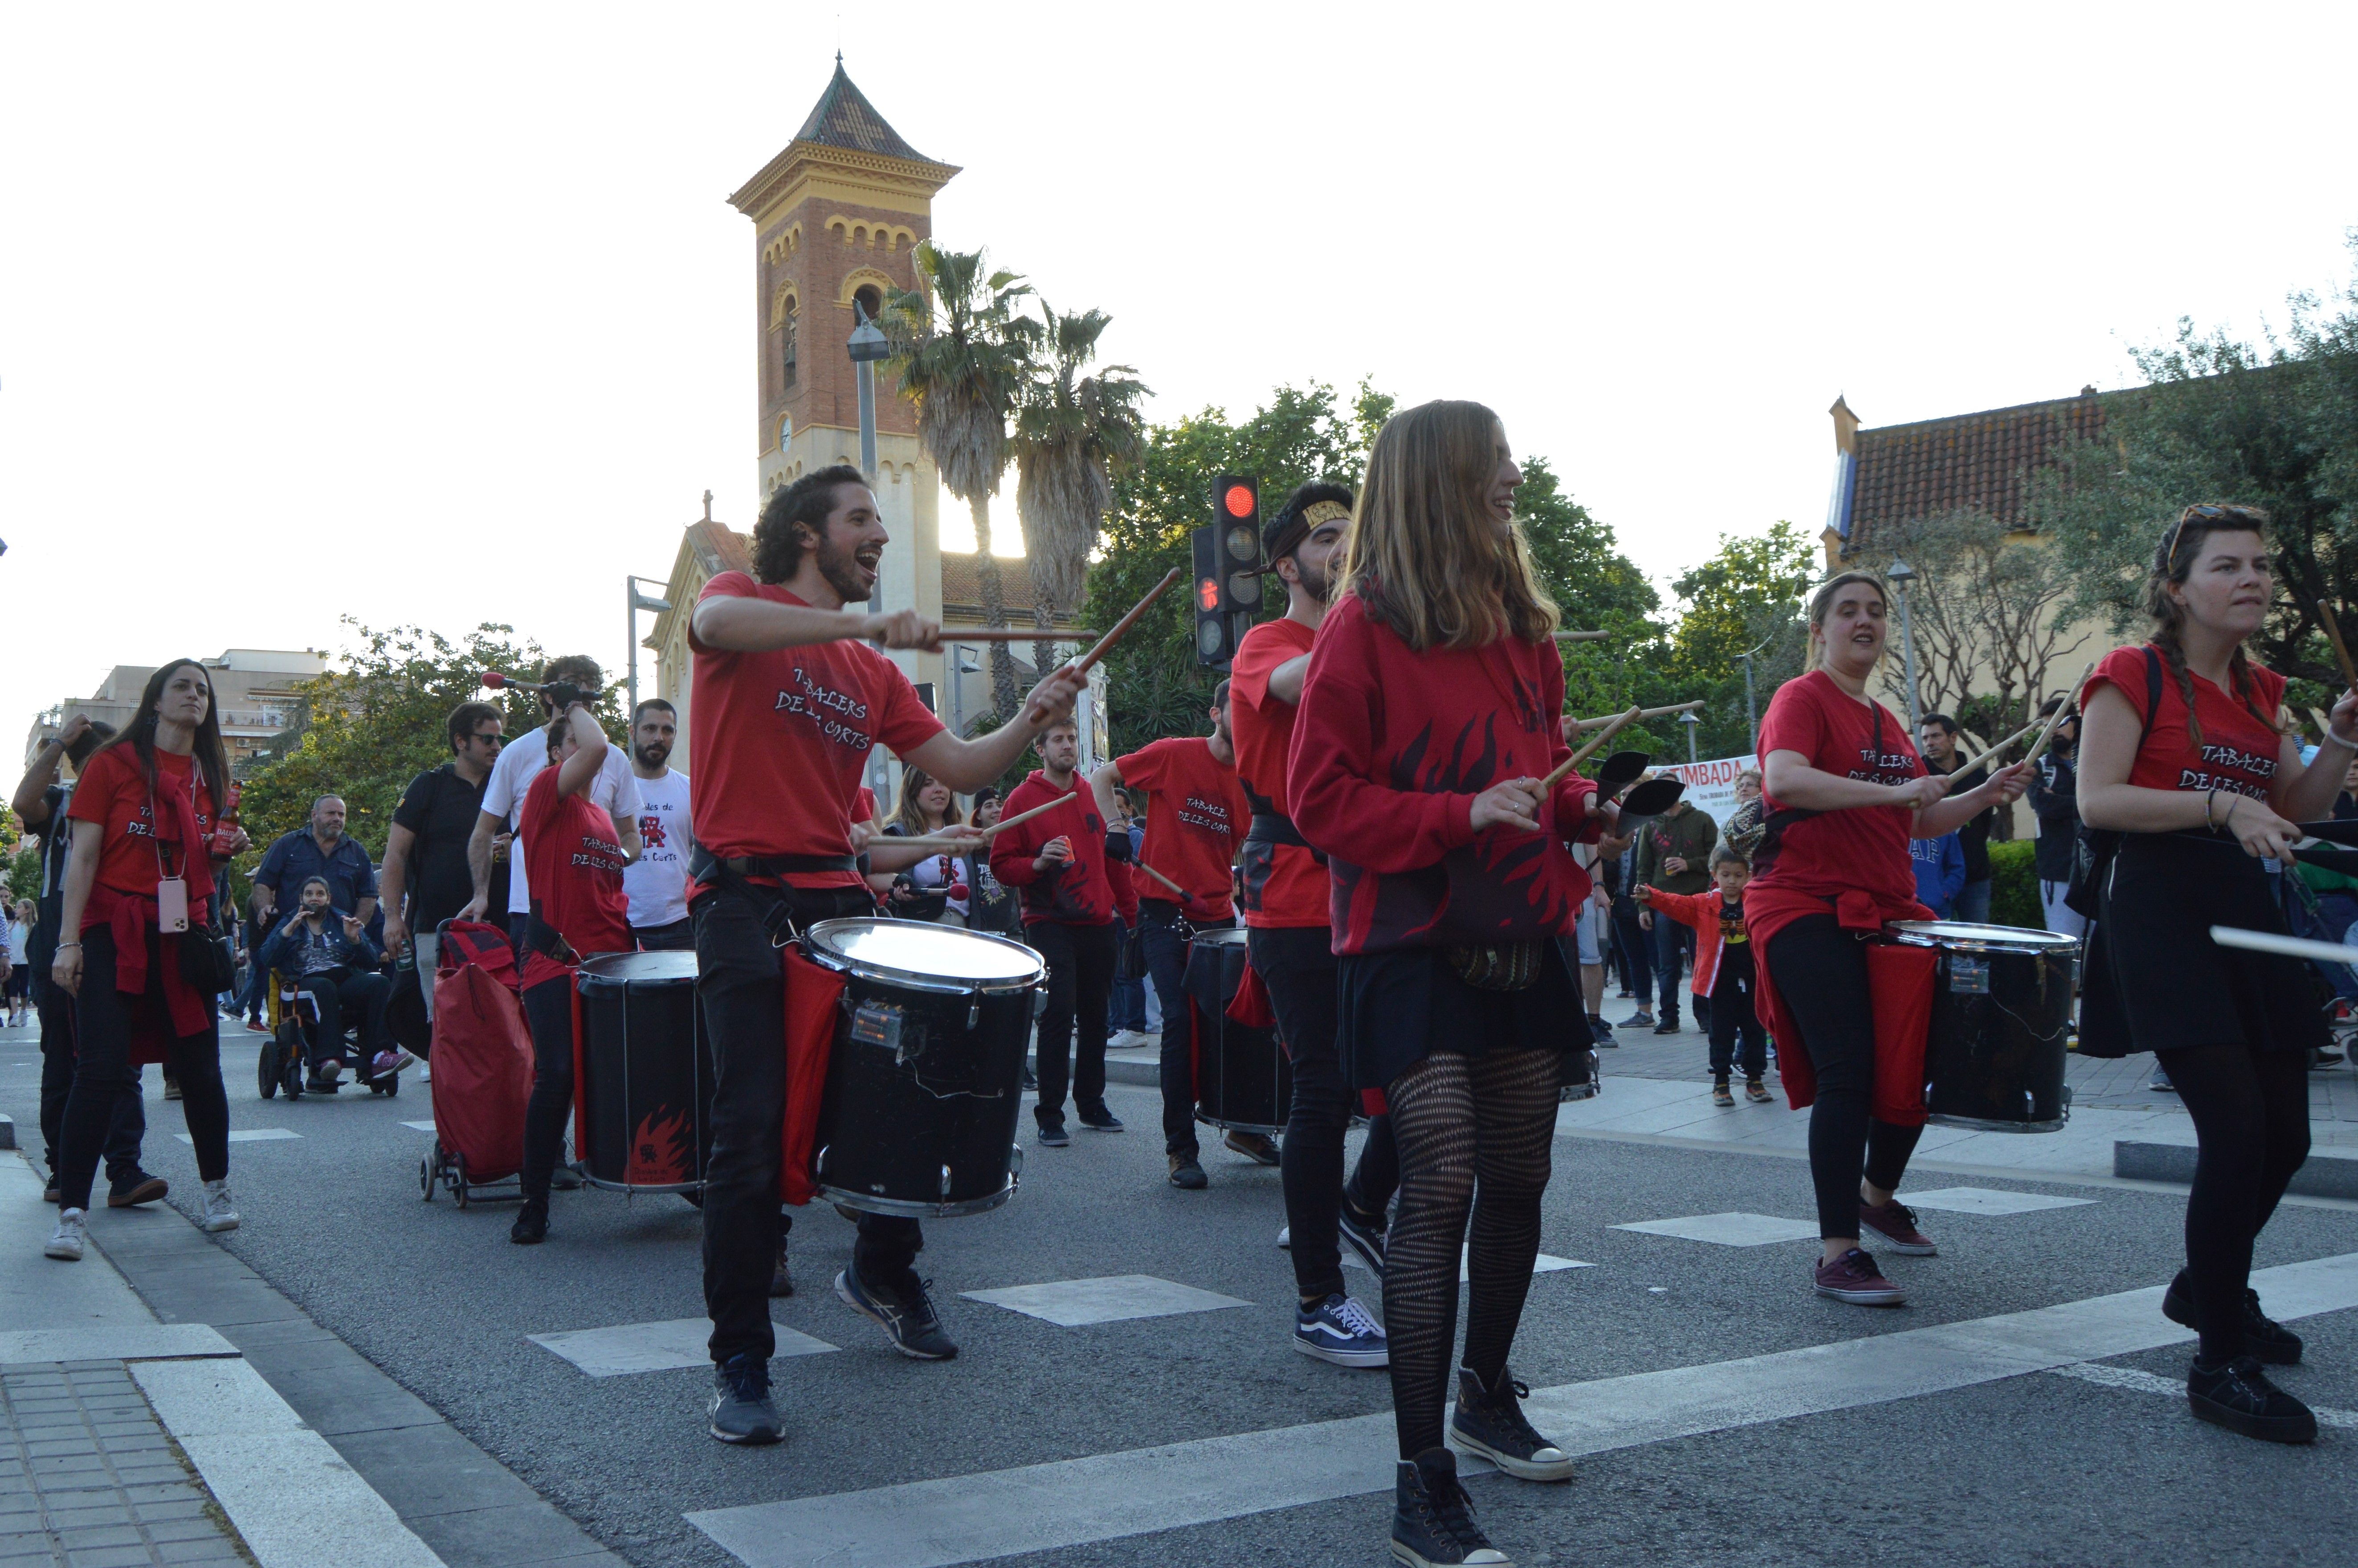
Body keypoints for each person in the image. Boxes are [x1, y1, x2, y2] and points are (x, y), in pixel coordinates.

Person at [685, 462, 1083, 1444]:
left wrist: (1032, 719)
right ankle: (742, 1357)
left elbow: (955, 764)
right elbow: (718, 631)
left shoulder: (868, 673)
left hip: (837, 900)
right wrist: (863, 626)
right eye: (861, 519)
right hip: (743, 899)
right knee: (748, 1128)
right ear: (808, 534)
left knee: (890, 1104)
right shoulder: (741, 596)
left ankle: (883, 1269)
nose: (880, 534)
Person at [1291, 401, 1613, 1568]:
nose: (1515, 477)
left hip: (1519, 931)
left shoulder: (1522, 629)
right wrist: (1454, 816)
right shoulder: (1359, 628)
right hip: (1405, 940)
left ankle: (1485, 1394)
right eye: (1495, 462)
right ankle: (1419, 1481)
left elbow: (1542, 772)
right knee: (1438, 1181)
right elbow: (1319, 802)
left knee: (1519, 1173)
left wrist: (1590, 809)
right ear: (1441, 480)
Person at [2075, 503, 2341, 1445]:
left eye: (2261, 565)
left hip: (2241, 908)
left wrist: (2341, 737)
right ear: (2175, 587)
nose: (2254, 579)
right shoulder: (2130, 671)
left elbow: (2298, 804)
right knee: (2234, 1127)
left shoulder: (2265, 688)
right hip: (2159, 907)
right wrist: (2222, 801)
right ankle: (2217, 1359)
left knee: (2289, 1136)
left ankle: (2204, 1286)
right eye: (2228, 564)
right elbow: (2097, 796)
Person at [1746, 573, 2028, 1310]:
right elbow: (1783, 781)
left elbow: (1913, 823)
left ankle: (1876, 1196)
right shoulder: (1799, 699)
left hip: (1884, 910)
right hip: (1802, 902)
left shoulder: (1885, 720)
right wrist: (1894, 792)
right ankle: (1837, 1251)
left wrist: (1980, 796)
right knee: (1849, 1070)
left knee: (1915, 1066)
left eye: (1874, 610)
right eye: (1848, 612)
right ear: (1820, 631)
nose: (1865, 621)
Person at [1230, 480, 1403, 1368]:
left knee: (1422, 1071)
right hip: (1296, 888)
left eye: (1354, 533)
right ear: (1284, 563)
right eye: (1327, 535)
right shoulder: (1268, 642)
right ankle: (1318, 1296)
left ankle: (1357, 1208)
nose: (1343, 546)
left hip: (1374, 883)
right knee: (1324, 1091)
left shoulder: (1366, 642)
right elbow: (1305, 680)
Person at [45, 661, 251, 1262]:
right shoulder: (111, 765)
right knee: (101, 1068)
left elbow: (203, 870)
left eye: (203, 690)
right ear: (155, 701)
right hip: (113, 928)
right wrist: (68, 942)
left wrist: (225, 856)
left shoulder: (211, 774)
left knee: (200, 1066)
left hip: (183, 929)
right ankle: (72, 1215)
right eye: (183, 687)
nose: (196, 696)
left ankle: (216, 1189)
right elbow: (82, 861)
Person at [1089, 681, 1257, 1178]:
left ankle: (1244, 1124)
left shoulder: (1252, 781)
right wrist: (1115, 829)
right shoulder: (1172, 755)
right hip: (1164, 916)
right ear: (1214, 712)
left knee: (1235, 1027)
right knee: (1180, 1024)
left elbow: (1247, 851)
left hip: (1217, 917)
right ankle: (1180, 1148)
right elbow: (1102, 777)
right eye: (1236, 708)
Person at [507, 700, 634, 1245]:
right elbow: (600, 746)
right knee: (556, 1075)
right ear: (557, 754)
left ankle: (661, 1172)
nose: (586, 753)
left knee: (617, 1078)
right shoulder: (543, 793)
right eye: (572, 745)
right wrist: (576, 706)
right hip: (554, 963)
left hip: (610, 965)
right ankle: (533, 1200)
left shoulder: (599, 816)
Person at [992, 715, 1131, 1147]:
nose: (1067, 745)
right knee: (1058, 1014)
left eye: (1072, 738)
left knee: (1096, 1017)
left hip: (1098, 921)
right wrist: (1036, 862)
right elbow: (1000, 864)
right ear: (1041, 749)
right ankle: (1049, 1114)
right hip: (1048, 919)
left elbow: (1114, 860)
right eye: (1058, 739)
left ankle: (1091, 1103)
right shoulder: (1022, 799)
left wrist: (1131, 914)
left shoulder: (1092, 793)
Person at [461, 656, 642, 948]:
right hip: (533, 911)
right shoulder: (517, 753)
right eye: (574, 684)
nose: (584, 691)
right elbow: (483, 831)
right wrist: (480, 894)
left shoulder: (616, 758)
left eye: (591, 685)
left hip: (602, 915)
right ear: (549, 694)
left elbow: (631, 834)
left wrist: (611, 855)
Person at [381, 702, 505, 1030]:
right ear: (461, 741)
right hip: (436, 926)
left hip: (499, 924)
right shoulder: (429, 786)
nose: (497, 746)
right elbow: (395, 855)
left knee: (498, 1024)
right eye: (488, 739)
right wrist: (393, 917)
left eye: (500, 739)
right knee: (445, 1025)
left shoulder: (508, 786)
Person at [1636, 846, 1770, 1105]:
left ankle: (1755, 1079)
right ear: (1715, 875)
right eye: (1726, 874)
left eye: (1739, 875)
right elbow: (1676, 903)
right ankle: (1721, 1082)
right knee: (1721, 1032)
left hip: (1754, 981)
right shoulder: (1704, 904)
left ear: (1749, 876)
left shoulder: (1757, 902)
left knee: (1755, 1030)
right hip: (1720, 982)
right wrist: (1651, 896)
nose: (1732, 881)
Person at [253, 876, 394, 1090]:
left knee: (380, 983)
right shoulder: (290, 920)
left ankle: (381, 1056)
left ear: (329, 898)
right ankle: (330, 1058)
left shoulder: (341, 920)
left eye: (320, 894)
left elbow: (370, 960)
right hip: (301, 982)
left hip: (342, 978)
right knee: (323, 987)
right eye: (309, 894)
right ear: (301, 898)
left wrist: (355, 941)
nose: (315, 898)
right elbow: (266, 958)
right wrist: (286, 932)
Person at [1632, 794, 1718, 1034]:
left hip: (1698, 902)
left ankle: (1706, 1016)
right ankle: (1669, 1018)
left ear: (1679, 793)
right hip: (1664, 904)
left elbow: (1718, 858)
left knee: (1702, 961)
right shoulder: (1650, 825)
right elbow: (1643, 869)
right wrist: (1643, 907)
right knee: (1667, 965)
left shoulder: (1702, 819)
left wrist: (1688, 864)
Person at [250, 796, 377, 944]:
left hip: (340, 943)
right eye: (331, 813)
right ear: (314, 815)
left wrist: (357, 928)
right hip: (292, 939)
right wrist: (265, 909)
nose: (337, 818)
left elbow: (369, 895)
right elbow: (263, 883)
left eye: (342, 814)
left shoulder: (357, 852)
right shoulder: (287, 845)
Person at [621, 699, 695, 950]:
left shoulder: (691, 790)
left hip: (681, 922)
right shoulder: (609, 788)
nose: (659, 737)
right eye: (650, 729)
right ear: (633, 732)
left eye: (667, 730)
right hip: (623, 921)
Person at [1917, 713, 1995, 923]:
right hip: (1932, 883)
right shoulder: (1919, 778)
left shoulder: (1977, 777)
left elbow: (1984, 823)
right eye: (1925, 739)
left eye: (1936, 736)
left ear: (1953, 738)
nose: (1930, 743)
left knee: (1977, 946)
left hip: (1974, 877)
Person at [2027, 696, 2087, 938]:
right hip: (2059, 873)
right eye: (2047, 727)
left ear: (2075, 722)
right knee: (2065, 945)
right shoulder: (2039, 767)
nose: (2053, 733)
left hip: (2094, 869)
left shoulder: (2095, 762)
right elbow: (2044, 806)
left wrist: (2061, 800)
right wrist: (2086, 803)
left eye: (2058, 725)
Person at [880, 767, 965, 925]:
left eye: (943, 783)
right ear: (913, 791)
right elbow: (873, 874)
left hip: (967, 932)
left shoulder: (962, 834)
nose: (938, 790)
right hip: (921, 930)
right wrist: (900, 884)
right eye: (928, 784)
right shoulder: (897, 834)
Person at [958, 790, 1022, 939]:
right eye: (989, 806)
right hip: (979, 936)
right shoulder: (968, 852)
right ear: (978, 815)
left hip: (1013, 934)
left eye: (1000, 805)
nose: (997, 810)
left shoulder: (1014, 849)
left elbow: (1020, 894)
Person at [1909, 825, 1966, 918]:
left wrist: (1945, 893)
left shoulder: (1944, 828)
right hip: (1902, 909)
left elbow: (1957, 868)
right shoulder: (1896, 825)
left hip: (1938, 912)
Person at [5, 901, 30, 1027]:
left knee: (24, 989)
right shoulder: (11, 927)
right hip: (13, 962)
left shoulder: (32, 927)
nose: (16, 909)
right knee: (13, 989)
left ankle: (24, 1011)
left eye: (19, 907)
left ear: (27, 910)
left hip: (26, 963)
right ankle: (14, 1015)